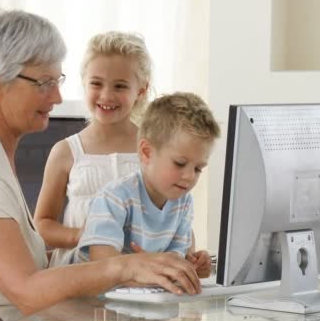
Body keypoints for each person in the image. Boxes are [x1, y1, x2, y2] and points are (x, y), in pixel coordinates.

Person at [0, 10, 201, 321]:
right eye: (44, 83)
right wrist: (126, 266)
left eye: (58, 81)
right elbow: (28, 291)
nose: (56, 96)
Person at [72, 92, 220, 279]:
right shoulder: (114, 198)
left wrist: (192, 265)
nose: (190, 176)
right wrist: (148, 267)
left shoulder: (183, 202)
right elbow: (102, 267)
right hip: (84, 301)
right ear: (146, 152)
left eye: (198, 168)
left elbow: (175, 260)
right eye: (180, 164)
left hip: (138, 297)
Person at [34, 31, 151, 267]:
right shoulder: (66, 151)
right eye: (96, 83)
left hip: (137, 279)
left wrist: (187, 255)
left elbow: (174, 215)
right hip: (76, 278)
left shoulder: (154, 149)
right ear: (84, 83)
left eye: (120, 86)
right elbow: (42, 223)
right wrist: (80, 235)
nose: (106, 95)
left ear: (140, 91)